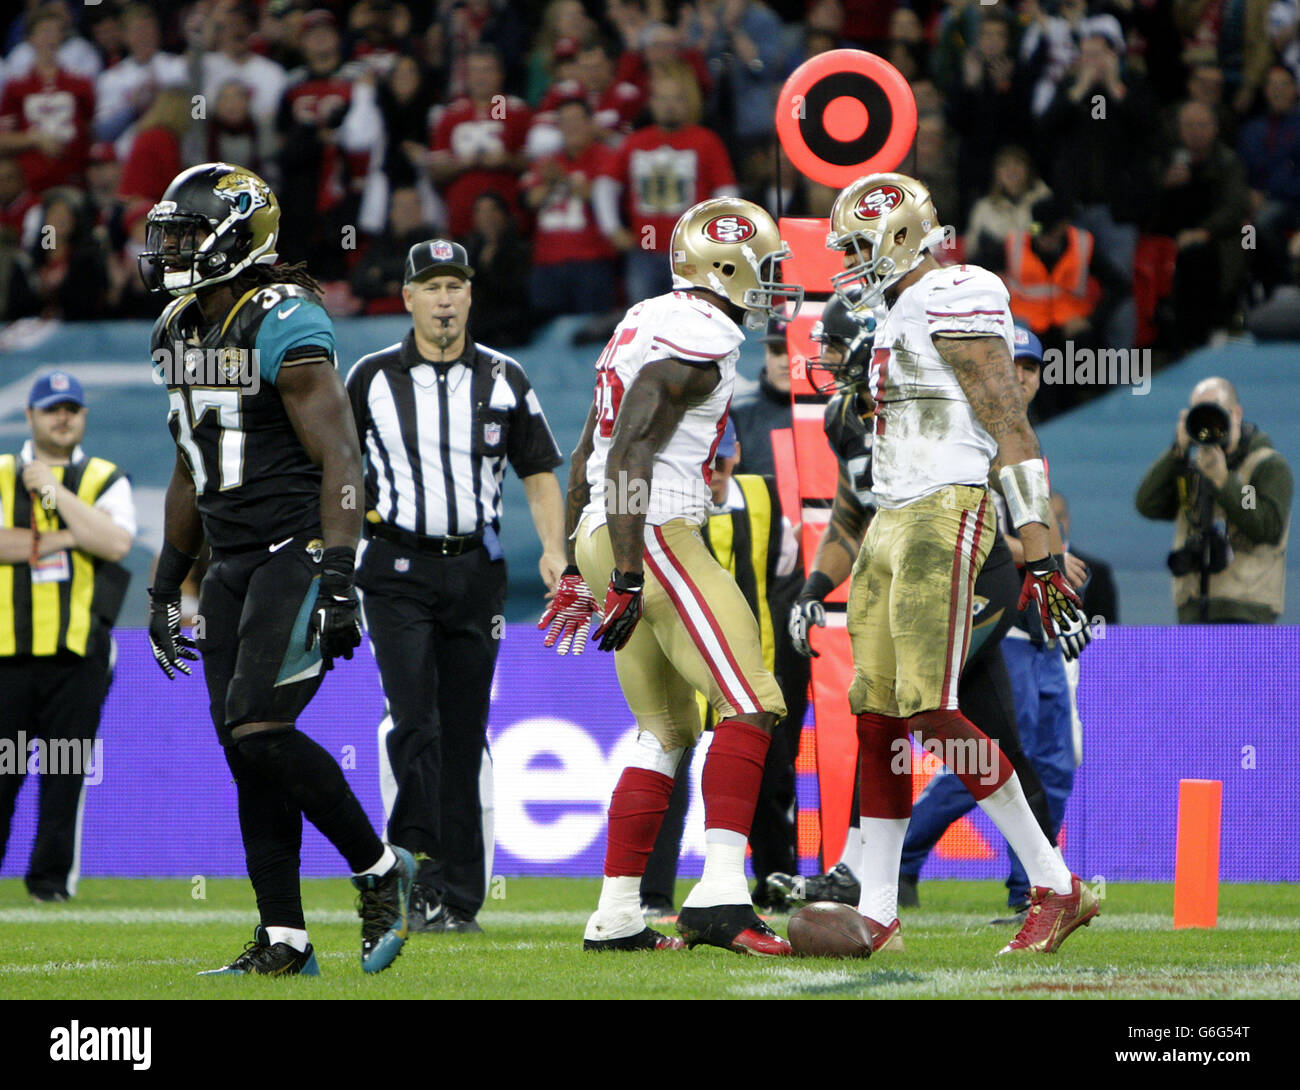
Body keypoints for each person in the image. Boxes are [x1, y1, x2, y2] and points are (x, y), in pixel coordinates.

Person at [138, 161, 416, 977]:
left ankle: (380, 869)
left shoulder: (282, 317)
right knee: (244, 750)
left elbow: (340, 455)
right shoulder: (180, 328)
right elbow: (191, 465)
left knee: (261, 727)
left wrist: (338, 575)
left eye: (188, 233)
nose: (173, 248)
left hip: (295, 548)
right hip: (229, 563)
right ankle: (285, 940)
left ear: (234, 237)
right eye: (171, 234)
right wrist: (164, 585)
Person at [819, 171, 1097, 955]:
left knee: (932, 711)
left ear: (902, 237)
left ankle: (1054, 883)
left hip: (947, 510)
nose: (846, 258)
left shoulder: (959, 289)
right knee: (875, 715)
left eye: (856, 245)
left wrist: (1038, 551)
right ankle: (877, 910)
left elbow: (1008, 418)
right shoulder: (897, 309)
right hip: (890, 518)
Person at [539, 195, 803, 955]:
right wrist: (624, 569)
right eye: (766, 265)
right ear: (730, 264)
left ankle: (618, 914)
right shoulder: (703, 328)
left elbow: (587, 453)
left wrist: (583, 559)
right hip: (651, 530)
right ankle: (722, 893)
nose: (772, 281)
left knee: (666, 729)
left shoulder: (643, 318)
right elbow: (627, 451)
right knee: (751, 699)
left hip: (609, 531)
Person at [771, 303, 1057, 922]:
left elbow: (990, 478)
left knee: (911, 710)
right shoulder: (845, 415)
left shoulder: (935, 400)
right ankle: (1039, 886)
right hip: (908, 578)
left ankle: (867, 875)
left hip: (972, 571)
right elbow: (853, 517)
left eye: (836, 346)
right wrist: (814, 585)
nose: (822, 360)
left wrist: (1044, 557)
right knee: (972, 728)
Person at [346, 238, 567, 934]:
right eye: (431, 286)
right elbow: (338, 475)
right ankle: (416, 872)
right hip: (394, 568)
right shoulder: (370, 378)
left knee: (465, 733)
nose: (444, 298)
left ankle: (459, 900)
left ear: (472, 294)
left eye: (456, 285)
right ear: (406, 297)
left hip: (476, 571)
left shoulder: (505, 377)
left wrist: (557, 553)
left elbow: (538, 472)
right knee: (415, 722)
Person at [638, 417, 803, 917]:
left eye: (722, 462)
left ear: (736, 457)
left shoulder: (765, 498)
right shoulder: (662, 506)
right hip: (680, 654)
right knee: (670, 760)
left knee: (769, 771)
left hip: (755, 655)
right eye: (704, 464)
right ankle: (652, 896)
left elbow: (785, 571)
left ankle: (776, 878)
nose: (713, 474)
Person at [0, 371, 135, 904]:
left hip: (80, 649)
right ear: (30, 416)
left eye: (72, 409)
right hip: (7, 648)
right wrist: (74, 533)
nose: (63, 417)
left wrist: (55, 494)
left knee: (65, 773)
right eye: (52, 408)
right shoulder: (4, 471)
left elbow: (117, 543)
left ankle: (51, 884)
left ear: (83, 417)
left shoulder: (104, 477)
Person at [1135, 376, 1292, 623]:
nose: (1210, 423)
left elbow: (1265, 526)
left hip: (1245, 611)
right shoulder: (1193, 467)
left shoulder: (1264, 465)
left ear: (1237, 413)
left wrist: (1224, 481)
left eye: (1216, 412)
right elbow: (1147, 504)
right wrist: (1178, 450)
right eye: (1200, 414)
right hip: (1193, 607)